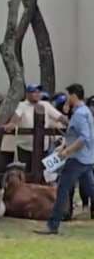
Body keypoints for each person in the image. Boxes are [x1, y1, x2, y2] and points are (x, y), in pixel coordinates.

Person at [35, 84, 94, 234]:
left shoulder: (80, 114)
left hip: (77, 159)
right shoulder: (86, 111)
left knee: (62, 190)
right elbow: (75, 135)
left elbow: (84, 137)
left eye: (68, 95)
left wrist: (67, 151)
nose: (67, 98)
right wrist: (64, 146)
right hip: (87, 159)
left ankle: (52, 225)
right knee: (90, 189)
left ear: (74, 95)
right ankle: (53, 225)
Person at [3, 84, 67, 174]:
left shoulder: (46, 105)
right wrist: (12, 124)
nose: (37, 94)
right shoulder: (22, 105)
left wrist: (71, 124)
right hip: (25, 148)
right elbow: (16, 117)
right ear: (28, 94)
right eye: (34, 92)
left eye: (38, 92)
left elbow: (60, 117)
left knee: (43, 173)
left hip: (43, 148)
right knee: (26, 173)